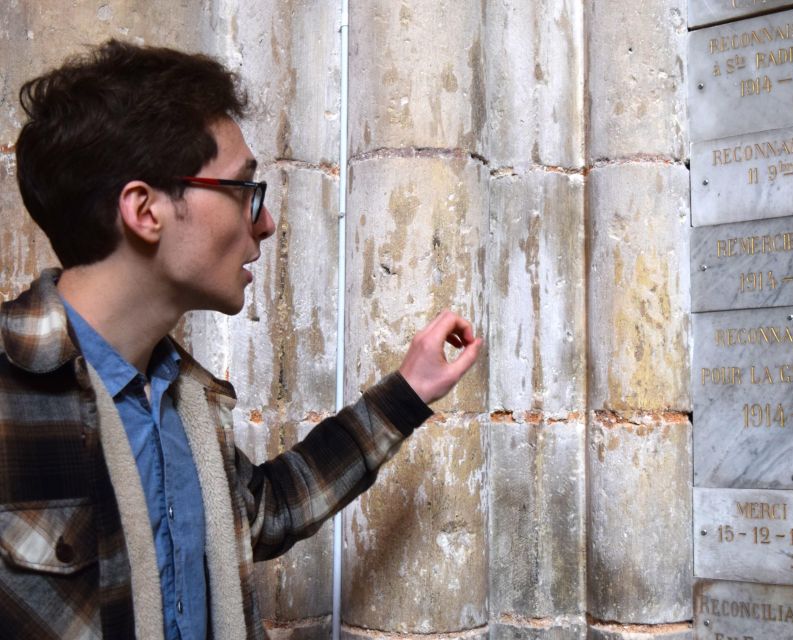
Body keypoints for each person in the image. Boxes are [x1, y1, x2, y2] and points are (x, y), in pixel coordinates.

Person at [0, 40, 481, 639]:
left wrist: (407, 392)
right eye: (242, 190)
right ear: (145, 210)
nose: (267, 221)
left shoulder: (181, 397)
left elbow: (265, 510)